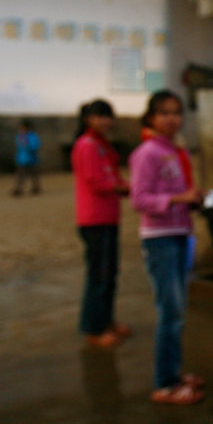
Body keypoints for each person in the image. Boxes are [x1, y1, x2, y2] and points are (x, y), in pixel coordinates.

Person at [129, 90, 207, 405]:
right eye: (163, 112)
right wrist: (178, 199)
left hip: (178, 233)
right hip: (160, 238)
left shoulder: (174, 151)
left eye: (176, 112)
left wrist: (193, 199)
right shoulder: (147, 153)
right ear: (151, 118)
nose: (171, 118)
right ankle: (164, 384)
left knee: (177, 311)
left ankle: (172, 373)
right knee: (170, 312)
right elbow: (139, 199)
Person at [72, 99, 132, 348]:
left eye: (108, 116)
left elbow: (113, 176)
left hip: (108, 217)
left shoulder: (102, 146)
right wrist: (121, 188)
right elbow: (97, 182)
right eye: (100, 116)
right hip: (94, 220)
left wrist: (126, 187)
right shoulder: (87, 146)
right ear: (88, 119)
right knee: (98, 276)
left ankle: (106, 320)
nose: (105, 121)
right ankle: (93, 329)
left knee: (109, 274)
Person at [12, 119, 41, 196]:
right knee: (21, 174)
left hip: (31, 159)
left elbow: (34, 146)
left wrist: (28, 148)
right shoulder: (20, 136)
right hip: (22, 159)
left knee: (33, 174)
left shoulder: (32, 136)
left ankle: (36, 187)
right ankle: (19, 188)